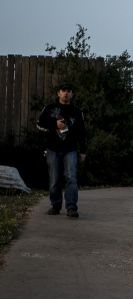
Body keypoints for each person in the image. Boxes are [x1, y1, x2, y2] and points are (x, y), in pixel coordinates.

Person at [36, 83, 88, 218]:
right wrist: (55, 124)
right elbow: (39, 124)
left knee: (71, 177)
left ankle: (71, 208)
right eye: (63, 91)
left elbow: (82, 132)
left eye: (68, 91)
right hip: (53, 149)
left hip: (70, 150)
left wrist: (83, 150)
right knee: (54, 178)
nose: (66, 93)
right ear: (58, 93)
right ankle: (55, 205)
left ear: (72, 94)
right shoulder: (49, 108)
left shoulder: (77, 111)